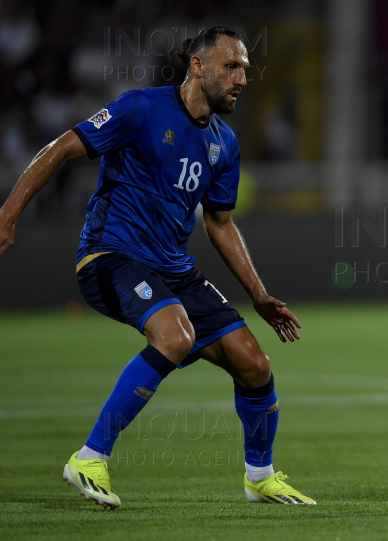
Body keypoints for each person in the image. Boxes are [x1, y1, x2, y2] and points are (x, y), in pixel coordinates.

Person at [0, 27, 314, 508]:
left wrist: (258, 293)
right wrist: (9, 213)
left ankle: (260, 476)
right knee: (174, 335)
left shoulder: (223, 144)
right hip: (110, 253)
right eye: (231, 67)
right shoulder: (141, 108)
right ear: (197, 66)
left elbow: (221, 223)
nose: (242, 79)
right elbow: (63, 147)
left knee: (254, 364)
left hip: (172, 267)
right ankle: (89, 457)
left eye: (246, 70)